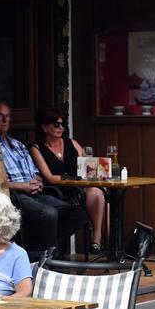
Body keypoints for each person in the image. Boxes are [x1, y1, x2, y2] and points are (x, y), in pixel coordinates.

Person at [0, 102, 87, 254]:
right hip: (14, 196)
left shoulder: (17, 144)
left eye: (7, 116)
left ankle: (42, 251)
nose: (5, 120)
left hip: (35, 192)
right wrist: (23, 186)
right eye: (0, 116)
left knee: (78, 213)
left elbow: (35, 172)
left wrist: (38, 181)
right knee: (49, 213)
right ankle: (52, 262)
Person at [29, 105, 105, 253]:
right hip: (58, 193)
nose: (60, 128)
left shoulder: (72, 143)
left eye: (62, 124)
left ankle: (97, 238)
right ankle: (101, 242)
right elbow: (49, 177)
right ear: (45, 127)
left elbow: (88, 165)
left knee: (100, 195)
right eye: (56, 124)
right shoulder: (36, 148)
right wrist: (72, 179)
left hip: (80, 189)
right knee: (100, 198)